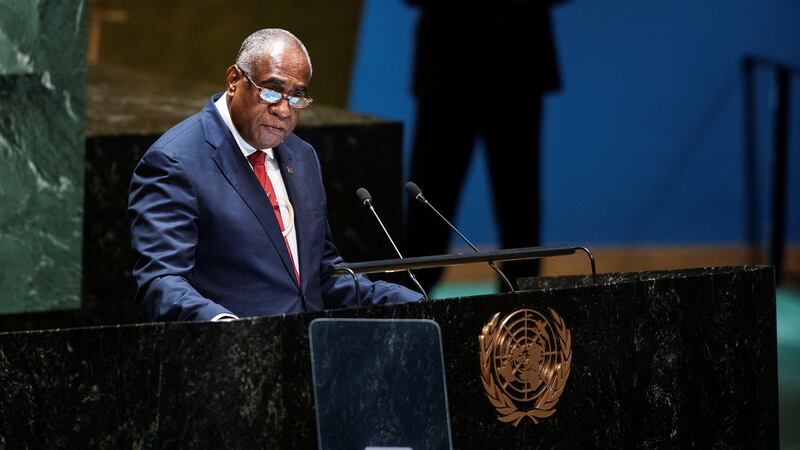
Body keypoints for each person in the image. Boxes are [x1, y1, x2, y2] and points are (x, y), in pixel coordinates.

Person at [128, 29, 421, 321]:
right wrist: (228, 328)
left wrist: (403, 301)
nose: (283, 110)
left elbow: (321, 275)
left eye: (296, 97)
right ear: (234, 80)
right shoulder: (175, 161)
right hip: (233, 357)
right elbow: (162, 281)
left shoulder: (302, 156)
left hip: (310, 352)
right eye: (271, 91)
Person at [405, 0, 565, 291]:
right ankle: (407, 314)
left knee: (520, 215)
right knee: (426, 209)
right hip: (446, 68)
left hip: (518, 66)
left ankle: (523, 324)